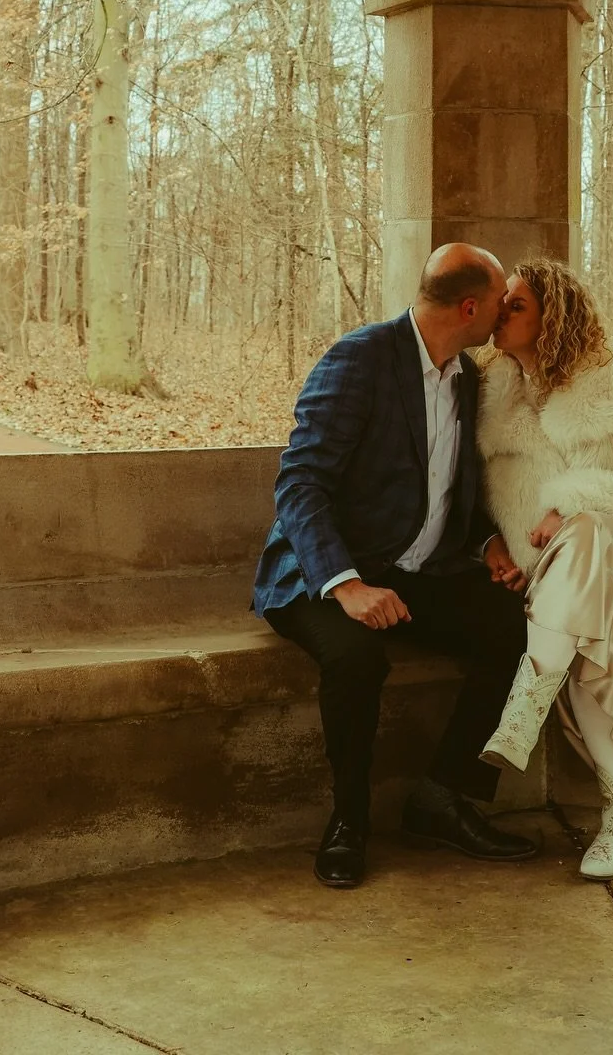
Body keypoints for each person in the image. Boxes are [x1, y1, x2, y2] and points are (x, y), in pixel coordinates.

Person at [255, 243, 541, 890]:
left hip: (414, 571)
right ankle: (349, 822)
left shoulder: (468, 381)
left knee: (516, 625)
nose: (502, 318)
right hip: (319, 574)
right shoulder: (361, 359)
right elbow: (300, 484)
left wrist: (487, 545)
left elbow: (448, 490)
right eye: (499, 305)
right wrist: (348, 584)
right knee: (357, 659)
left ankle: (440, 799)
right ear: (469, 306)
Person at [475, 258, 613, 879]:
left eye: (516, 305)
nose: (501, 314)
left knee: (587, 528)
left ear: (555, 316)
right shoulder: (492, 401)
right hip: (564, 584)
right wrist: (495, 549)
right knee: (581, 634)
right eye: (500, 305)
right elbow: (476, 508)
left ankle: (529, 695)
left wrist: (570, 505)